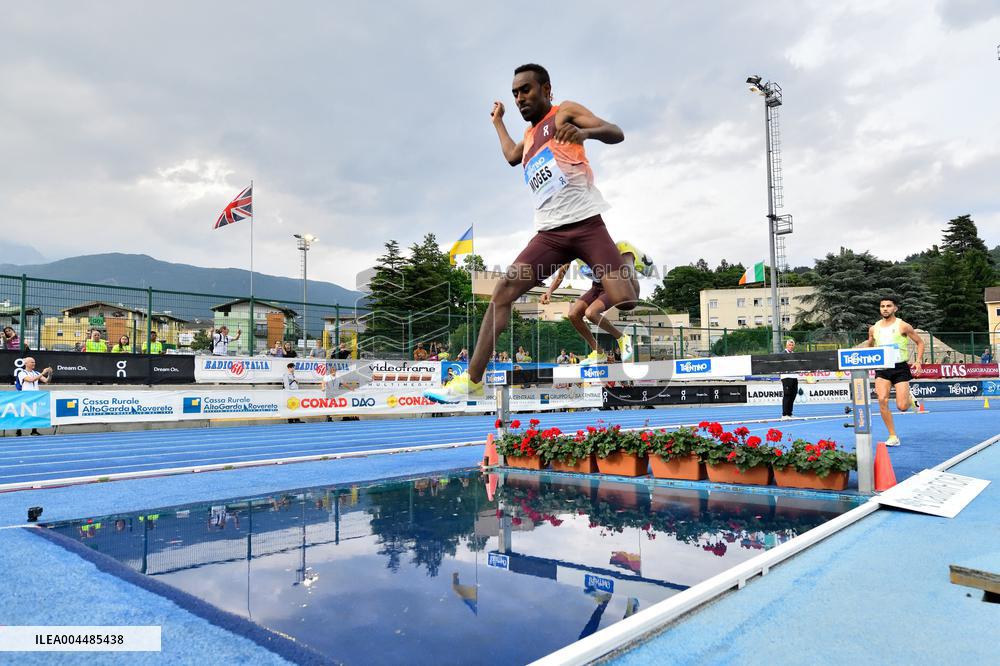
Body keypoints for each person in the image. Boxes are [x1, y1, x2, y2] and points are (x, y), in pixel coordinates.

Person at [427, 63, 636, 403]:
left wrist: (586, 134)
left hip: (587, 226)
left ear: (546, 89)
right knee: (503, 292)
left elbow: (615, 131)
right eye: (515, 93)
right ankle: (473, 381)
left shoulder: (563, 112)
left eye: (526, 90)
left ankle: (625, 271)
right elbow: (512, 156)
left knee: (625, 299)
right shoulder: (527, 138)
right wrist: (498, 122)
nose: (520, 97)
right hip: (550, 236)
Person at [541, 240, 651, 364]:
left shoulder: (596, 244)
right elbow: (560, 275)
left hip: (613, 286)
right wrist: (549, 292)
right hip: (596, 287)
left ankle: (622, 338)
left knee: (591, 313)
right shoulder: (571, 253)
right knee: (573, 314)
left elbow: (629, 271)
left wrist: (633, 297)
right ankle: (598, 352)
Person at [860, 297, 925, 447]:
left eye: (888, 306)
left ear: (895, 308)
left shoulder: (903, 326)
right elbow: (870, 343)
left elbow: (920, 342)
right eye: (882, 306)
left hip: (900, 367)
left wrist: (918, 361)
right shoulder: (874, 328)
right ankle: (893, 435)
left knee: (902, 407)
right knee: (882, 399)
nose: (885, 308)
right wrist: (867, 355)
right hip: (882, 368)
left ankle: (909, 398)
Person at [12, 356, 52, 436]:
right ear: (26, 364)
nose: (34, 363)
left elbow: (47, 381)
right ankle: (18, 431)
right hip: (26, 396)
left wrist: (50, 374)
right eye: (32, 362)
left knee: (35, 412)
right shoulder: (22, 373)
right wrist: (43, 373)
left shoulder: (36, 373)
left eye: (34, 362)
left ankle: (34, 430)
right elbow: (31, 380)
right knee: (23, 413)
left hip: (35, 395)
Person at [780, 338, 798, 420]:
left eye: (792, 345)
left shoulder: (794, 354)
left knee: (793, 395)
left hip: (794, 377)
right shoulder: (783, 354)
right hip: (786, 377)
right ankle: (784, 414)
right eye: (789, 345)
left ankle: (790, 413)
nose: (791, 346)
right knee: (787, 395)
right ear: (786, 345)